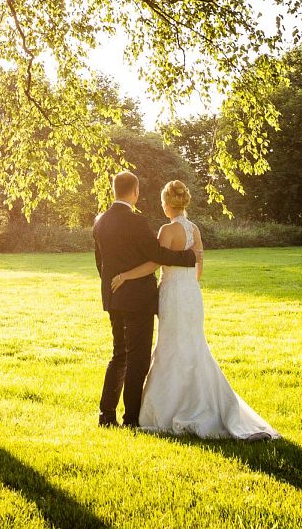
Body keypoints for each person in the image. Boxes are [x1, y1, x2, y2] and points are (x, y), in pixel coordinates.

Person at [111, 179, 279, 440]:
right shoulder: (195, 230)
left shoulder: (167, 230)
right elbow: (199, 266)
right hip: (190, 294)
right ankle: (210, 404)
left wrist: (125, 276)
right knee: (194, 345)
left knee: (171, 346)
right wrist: (188, 286)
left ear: (167, 204)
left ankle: (171, 408)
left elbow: (155, 263)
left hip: (172, 295)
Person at [91, 170, 199, 429]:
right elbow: (156, 253)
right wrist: (188, 258)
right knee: (138, 359)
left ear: (115, 191)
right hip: (138, 299)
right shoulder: (137, 221)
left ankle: (106, 415)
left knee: (118, 355)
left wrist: (112, 288)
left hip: (114, 297)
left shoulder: (100, 220)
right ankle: (131, 419)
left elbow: (100, 263)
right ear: (136, 192)